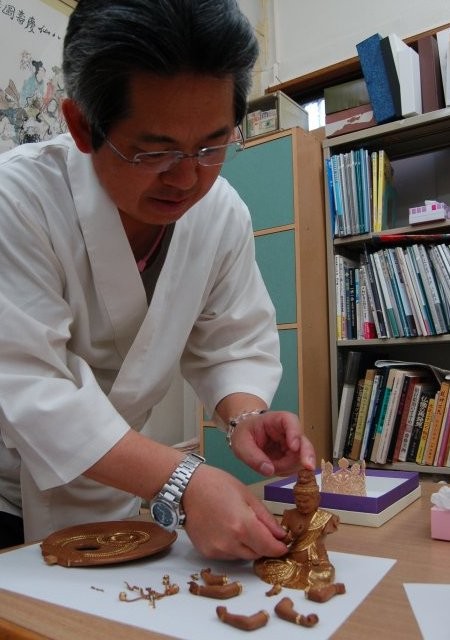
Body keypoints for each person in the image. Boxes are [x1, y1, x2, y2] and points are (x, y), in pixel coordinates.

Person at [0, 0, 315, 557]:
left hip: (116, 488)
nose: (189, 177)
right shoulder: (18, 202)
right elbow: (30, 387)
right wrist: (185, 480)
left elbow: (232, 340)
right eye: (154, 151)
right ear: (80, 125)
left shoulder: (221, 212)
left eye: (213, 145)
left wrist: (245, 415)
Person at [254, 469, 339, 589]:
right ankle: (300, 575)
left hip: (317, 562)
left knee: (324, 576)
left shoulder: (327, 518)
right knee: (262, 564)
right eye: (298, 501)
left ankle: (303, 575)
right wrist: (291, 536)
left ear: (317, 499)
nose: (302, 504)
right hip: (290, 560)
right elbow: (280, 543)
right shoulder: (289, 515)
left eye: (306, 501)